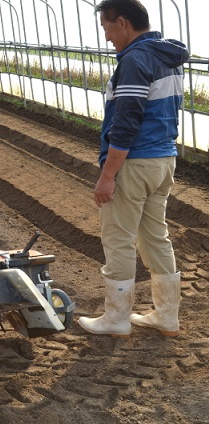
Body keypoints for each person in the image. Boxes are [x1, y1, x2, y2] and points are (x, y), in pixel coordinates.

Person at [78, 0, 188, 338]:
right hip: (163, 159)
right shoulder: (166, 57)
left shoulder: (135, 60)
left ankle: (116, 319)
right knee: (156, 236)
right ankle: (166, 316)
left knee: (118, 238)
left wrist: (108, 175)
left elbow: (127, 123)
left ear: (122, 22)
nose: (107, 37)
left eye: (107, 29)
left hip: (135, 162)